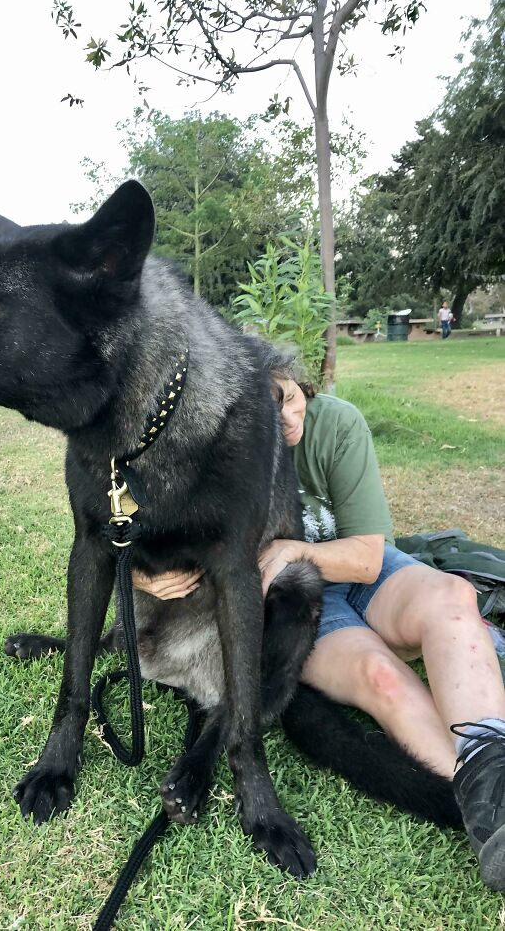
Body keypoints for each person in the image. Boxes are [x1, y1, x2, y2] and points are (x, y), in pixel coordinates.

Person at [133, 355, 505, 891]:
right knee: (380, 679)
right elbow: (150, 533)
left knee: (452, 596)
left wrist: (289, 548)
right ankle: (491, 819)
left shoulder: (335, 424)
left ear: (295, 379)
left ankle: (494, 775)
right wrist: (145, 576)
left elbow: (371, 557)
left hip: (355, 566)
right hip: (296, 603)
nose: (284, 421)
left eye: (284, 396)